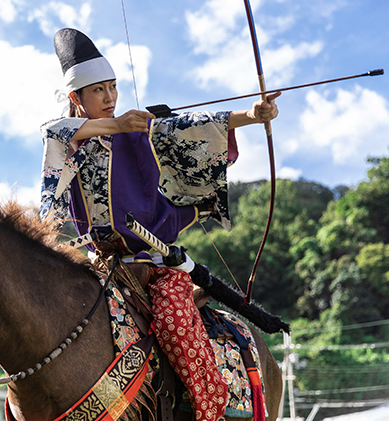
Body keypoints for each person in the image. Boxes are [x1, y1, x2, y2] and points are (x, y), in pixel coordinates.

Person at [40, 28, 280, 421]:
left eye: (113, 87)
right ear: (75, 98)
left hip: (154, 263)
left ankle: (211, 408)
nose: (110, 98)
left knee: (174, 320)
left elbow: (195, 127)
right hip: (95, 266)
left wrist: (252, 115)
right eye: (98, 90)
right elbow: (55, 130)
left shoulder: (139, 132)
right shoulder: (68, 137)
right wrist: (118, 126)